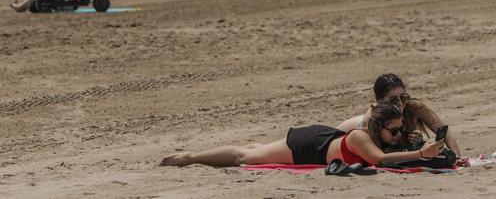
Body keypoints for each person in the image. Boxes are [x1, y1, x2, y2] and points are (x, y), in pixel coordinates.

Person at [160, 103, 445, 167]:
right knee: (244, 156)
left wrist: (412, 143)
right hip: (308, 146)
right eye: (393, 130)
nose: (399, 134)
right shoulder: (361, 137)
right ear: (377, 128)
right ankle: (188, 158)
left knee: (259, 148)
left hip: (323, 138)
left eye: (401, 129)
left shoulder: (381, 136)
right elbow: (381, 160)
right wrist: (420, 154)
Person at [336, 73, 463, 158]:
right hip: (339, 137)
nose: (401, 103)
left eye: (403, 97)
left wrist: (457, 156)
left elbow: (443, 130)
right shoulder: (372, 119)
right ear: (379, 101)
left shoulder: (413, 107)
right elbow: (381, 155)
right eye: (393, 100)